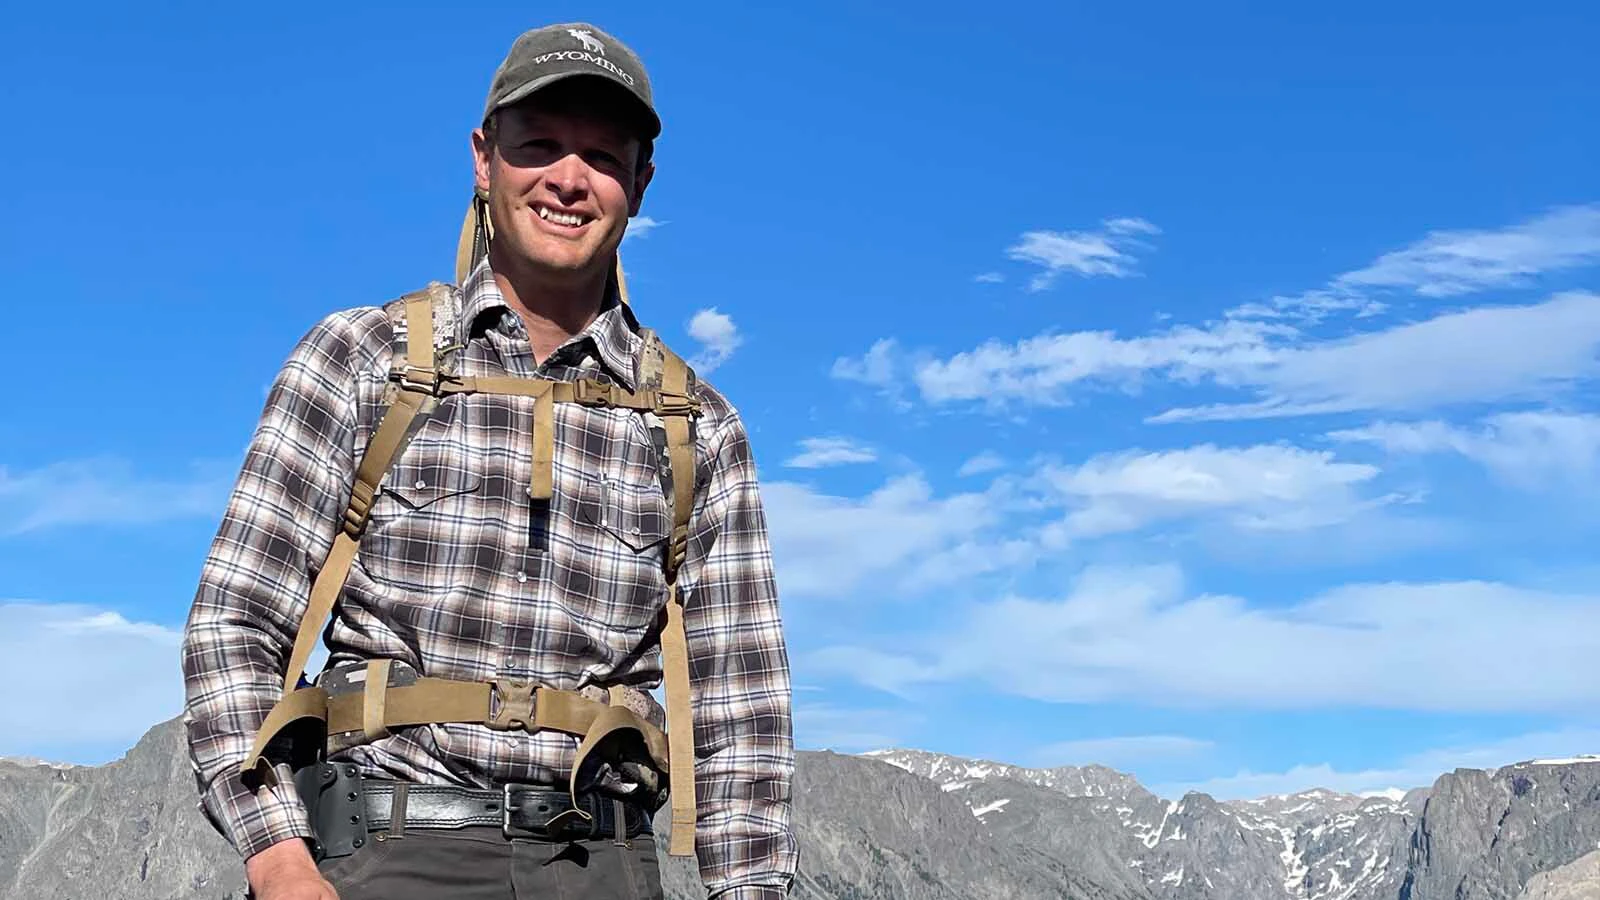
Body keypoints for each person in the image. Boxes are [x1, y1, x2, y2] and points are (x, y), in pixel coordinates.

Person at [180, 21, 798, 900]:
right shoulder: (360, 360)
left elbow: (745, 714)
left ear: (639, 185)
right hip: (377, 855)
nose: (568, 180)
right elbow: (234, 625)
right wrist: (280, 859)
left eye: (602, 157)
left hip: (603, 865)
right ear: (483, 159)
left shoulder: (699, 427)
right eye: (538, 145)